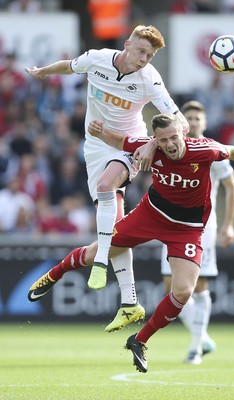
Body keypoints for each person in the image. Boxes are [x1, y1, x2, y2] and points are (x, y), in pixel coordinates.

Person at [28, 113, 234, 373]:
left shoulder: (204, 149)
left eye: (174, 137)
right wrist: (100, 132)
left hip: (187, 228)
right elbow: (120, 140)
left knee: (184, 291)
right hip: (150, 215)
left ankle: (139, 341)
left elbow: (231, 150)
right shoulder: (149, 146)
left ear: (183, 134)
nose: (171, 144)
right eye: (164, 140)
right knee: (100, 250)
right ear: (157, 140)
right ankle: (53, 275)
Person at [25, 25, 189, 330]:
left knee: (105, 185)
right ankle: (130, 303)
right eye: (140, 51)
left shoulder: (150, 78)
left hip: (129, 145)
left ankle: (99, 263)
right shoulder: (98, 59)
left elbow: (180, 122)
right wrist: (42, 72)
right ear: (127, 44)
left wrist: (152, 143)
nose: (143, 58)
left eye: (150, 55)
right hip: (95, 148)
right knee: (117, 227)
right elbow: (69, 66)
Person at [160, 101, 234, 365]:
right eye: (189, 117)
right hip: (172, 225)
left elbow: (232, 185)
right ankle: (202, 335)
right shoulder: (170, 148)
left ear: (204, 123)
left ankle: (195, 348)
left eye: (197, 118)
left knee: (199, 286)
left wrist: (228, 224)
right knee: (170, 287)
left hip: (202, 229)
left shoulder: (210, 151)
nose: (193, 122)